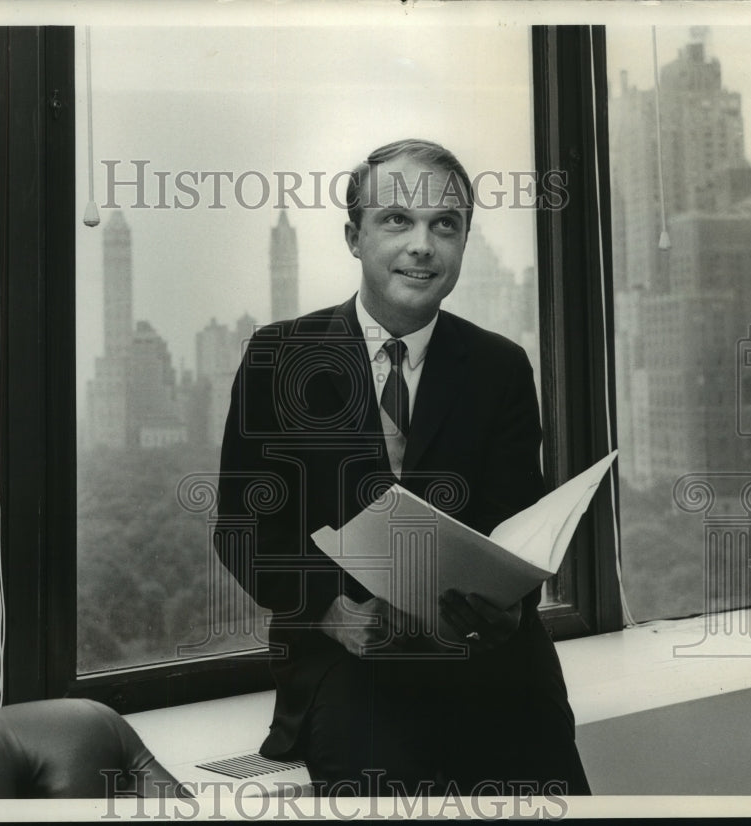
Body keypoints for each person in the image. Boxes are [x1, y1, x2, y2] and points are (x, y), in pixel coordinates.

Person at [213, 139, 590, 797]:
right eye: (398, 221)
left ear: (463, 243)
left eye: (445, 225)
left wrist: (510, 601)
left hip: (489, 658)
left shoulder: (500, 367)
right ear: (354, 236)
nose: (423, 245)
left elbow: (515, 526)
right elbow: (244, 529)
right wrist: (332, 613)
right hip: (351, 657)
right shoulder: (281, 355)